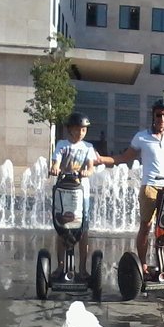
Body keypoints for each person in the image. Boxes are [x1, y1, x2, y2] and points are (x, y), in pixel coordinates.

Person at [98, 92, 164, 275]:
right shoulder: (141, 137)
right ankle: (143, 265)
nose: (162, 118)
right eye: (159, 115)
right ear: (153, 115)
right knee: (145, 226)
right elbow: (124, 157)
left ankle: (161, 264)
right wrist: (102, 159)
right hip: (150, 187)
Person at [49, 112, 99, 279]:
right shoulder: (62, 145)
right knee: (63, 227)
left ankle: (83, 269)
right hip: (63, 191)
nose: (80, 133)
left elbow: (91, 167)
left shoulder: (88, 147)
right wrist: (55, 168)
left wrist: (87, 171)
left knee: (83, 229)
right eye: (77, 129)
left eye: (83, 130)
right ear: (70, 129)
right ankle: (60, 266)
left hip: (81, 192)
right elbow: (56, 161)